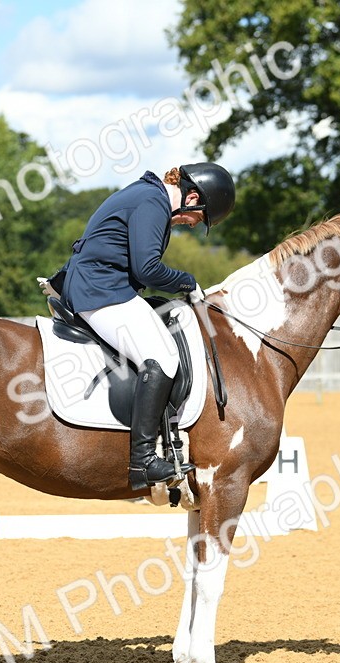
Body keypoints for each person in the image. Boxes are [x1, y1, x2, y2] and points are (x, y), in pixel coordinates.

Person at [60, 162, 236, 490]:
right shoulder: (152, 203)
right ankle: (142, 461)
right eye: (198, 217)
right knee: (163, 357)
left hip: (105, 284)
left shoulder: (148, 196)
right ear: (192, 196)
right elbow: (147, 269)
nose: (194, 224)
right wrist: (187, 281)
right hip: (100, 289)